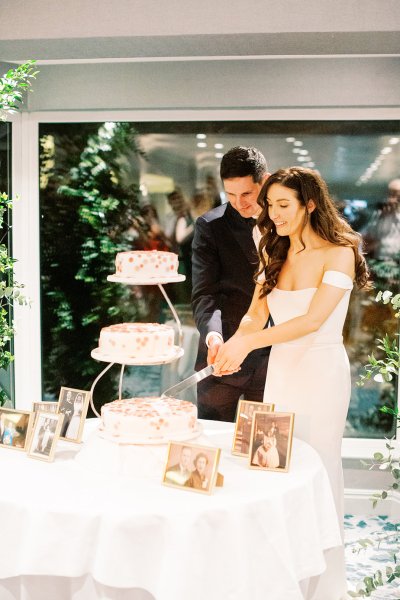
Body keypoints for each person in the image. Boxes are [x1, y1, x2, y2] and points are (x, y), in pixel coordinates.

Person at [213, 166, 371, 600]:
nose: (273, 213)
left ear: (311, 204)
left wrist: (248, 346)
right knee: (273, 467)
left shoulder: (340, 251)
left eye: (284, 205)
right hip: (281, 372)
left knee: (317, 472)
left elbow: (313, 320)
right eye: (270, 205)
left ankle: (323, 585)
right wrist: (233, 342)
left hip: (321, 376)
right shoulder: (270, 246)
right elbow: (255, 313)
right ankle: (280, 577)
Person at [191, 146, 271, 422]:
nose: (239, 203)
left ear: (265, 181)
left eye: (247, 193)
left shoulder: (285, 223)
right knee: (213, 443)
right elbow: (204, 293)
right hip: (221, 359)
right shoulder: (210, 226)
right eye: (231, 194)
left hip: (274, 359)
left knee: (264, 449)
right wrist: (213, 337)